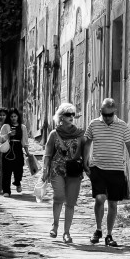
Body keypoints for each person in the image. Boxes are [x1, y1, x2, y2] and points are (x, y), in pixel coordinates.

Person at [84, 96, 130, 247]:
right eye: (105, 115)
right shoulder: (94, 124)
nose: (107, 118)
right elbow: (87, 144)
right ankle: (98, 229)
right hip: (97, 167)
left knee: (113, 203)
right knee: (100, 198)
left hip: (117, 168)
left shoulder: (123, 126)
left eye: (110, 115)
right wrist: (85, 162)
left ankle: (109, 235)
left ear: (115, 112)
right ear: (101, 111)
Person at [42, 102, 87, 241]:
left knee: (71, 202)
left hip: (74, 170)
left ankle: (66, 232)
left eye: (73, 114)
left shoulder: (80, 134)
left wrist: (87, 168)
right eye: (68, 114)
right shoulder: (54, 134)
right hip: (57, 169)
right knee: (59, 196)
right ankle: (55, 226)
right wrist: (45, 170)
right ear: (61, 117)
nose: (71, 117)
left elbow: (85, 154)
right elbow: (48, 153)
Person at [1, 106, 27, 197]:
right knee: (6, 171)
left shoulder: (22, 127)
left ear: (18, 117)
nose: (13, 118)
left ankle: (17, 182)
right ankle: (6, 191)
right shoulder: (5, 126)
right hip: (8, 149)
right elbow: (0, 138)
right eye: (11, 117)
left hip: (18, 149)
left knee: (19, 169)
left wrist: (27, 152)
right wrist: (8, 134)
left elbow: (24, 141)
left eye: (15, 116)